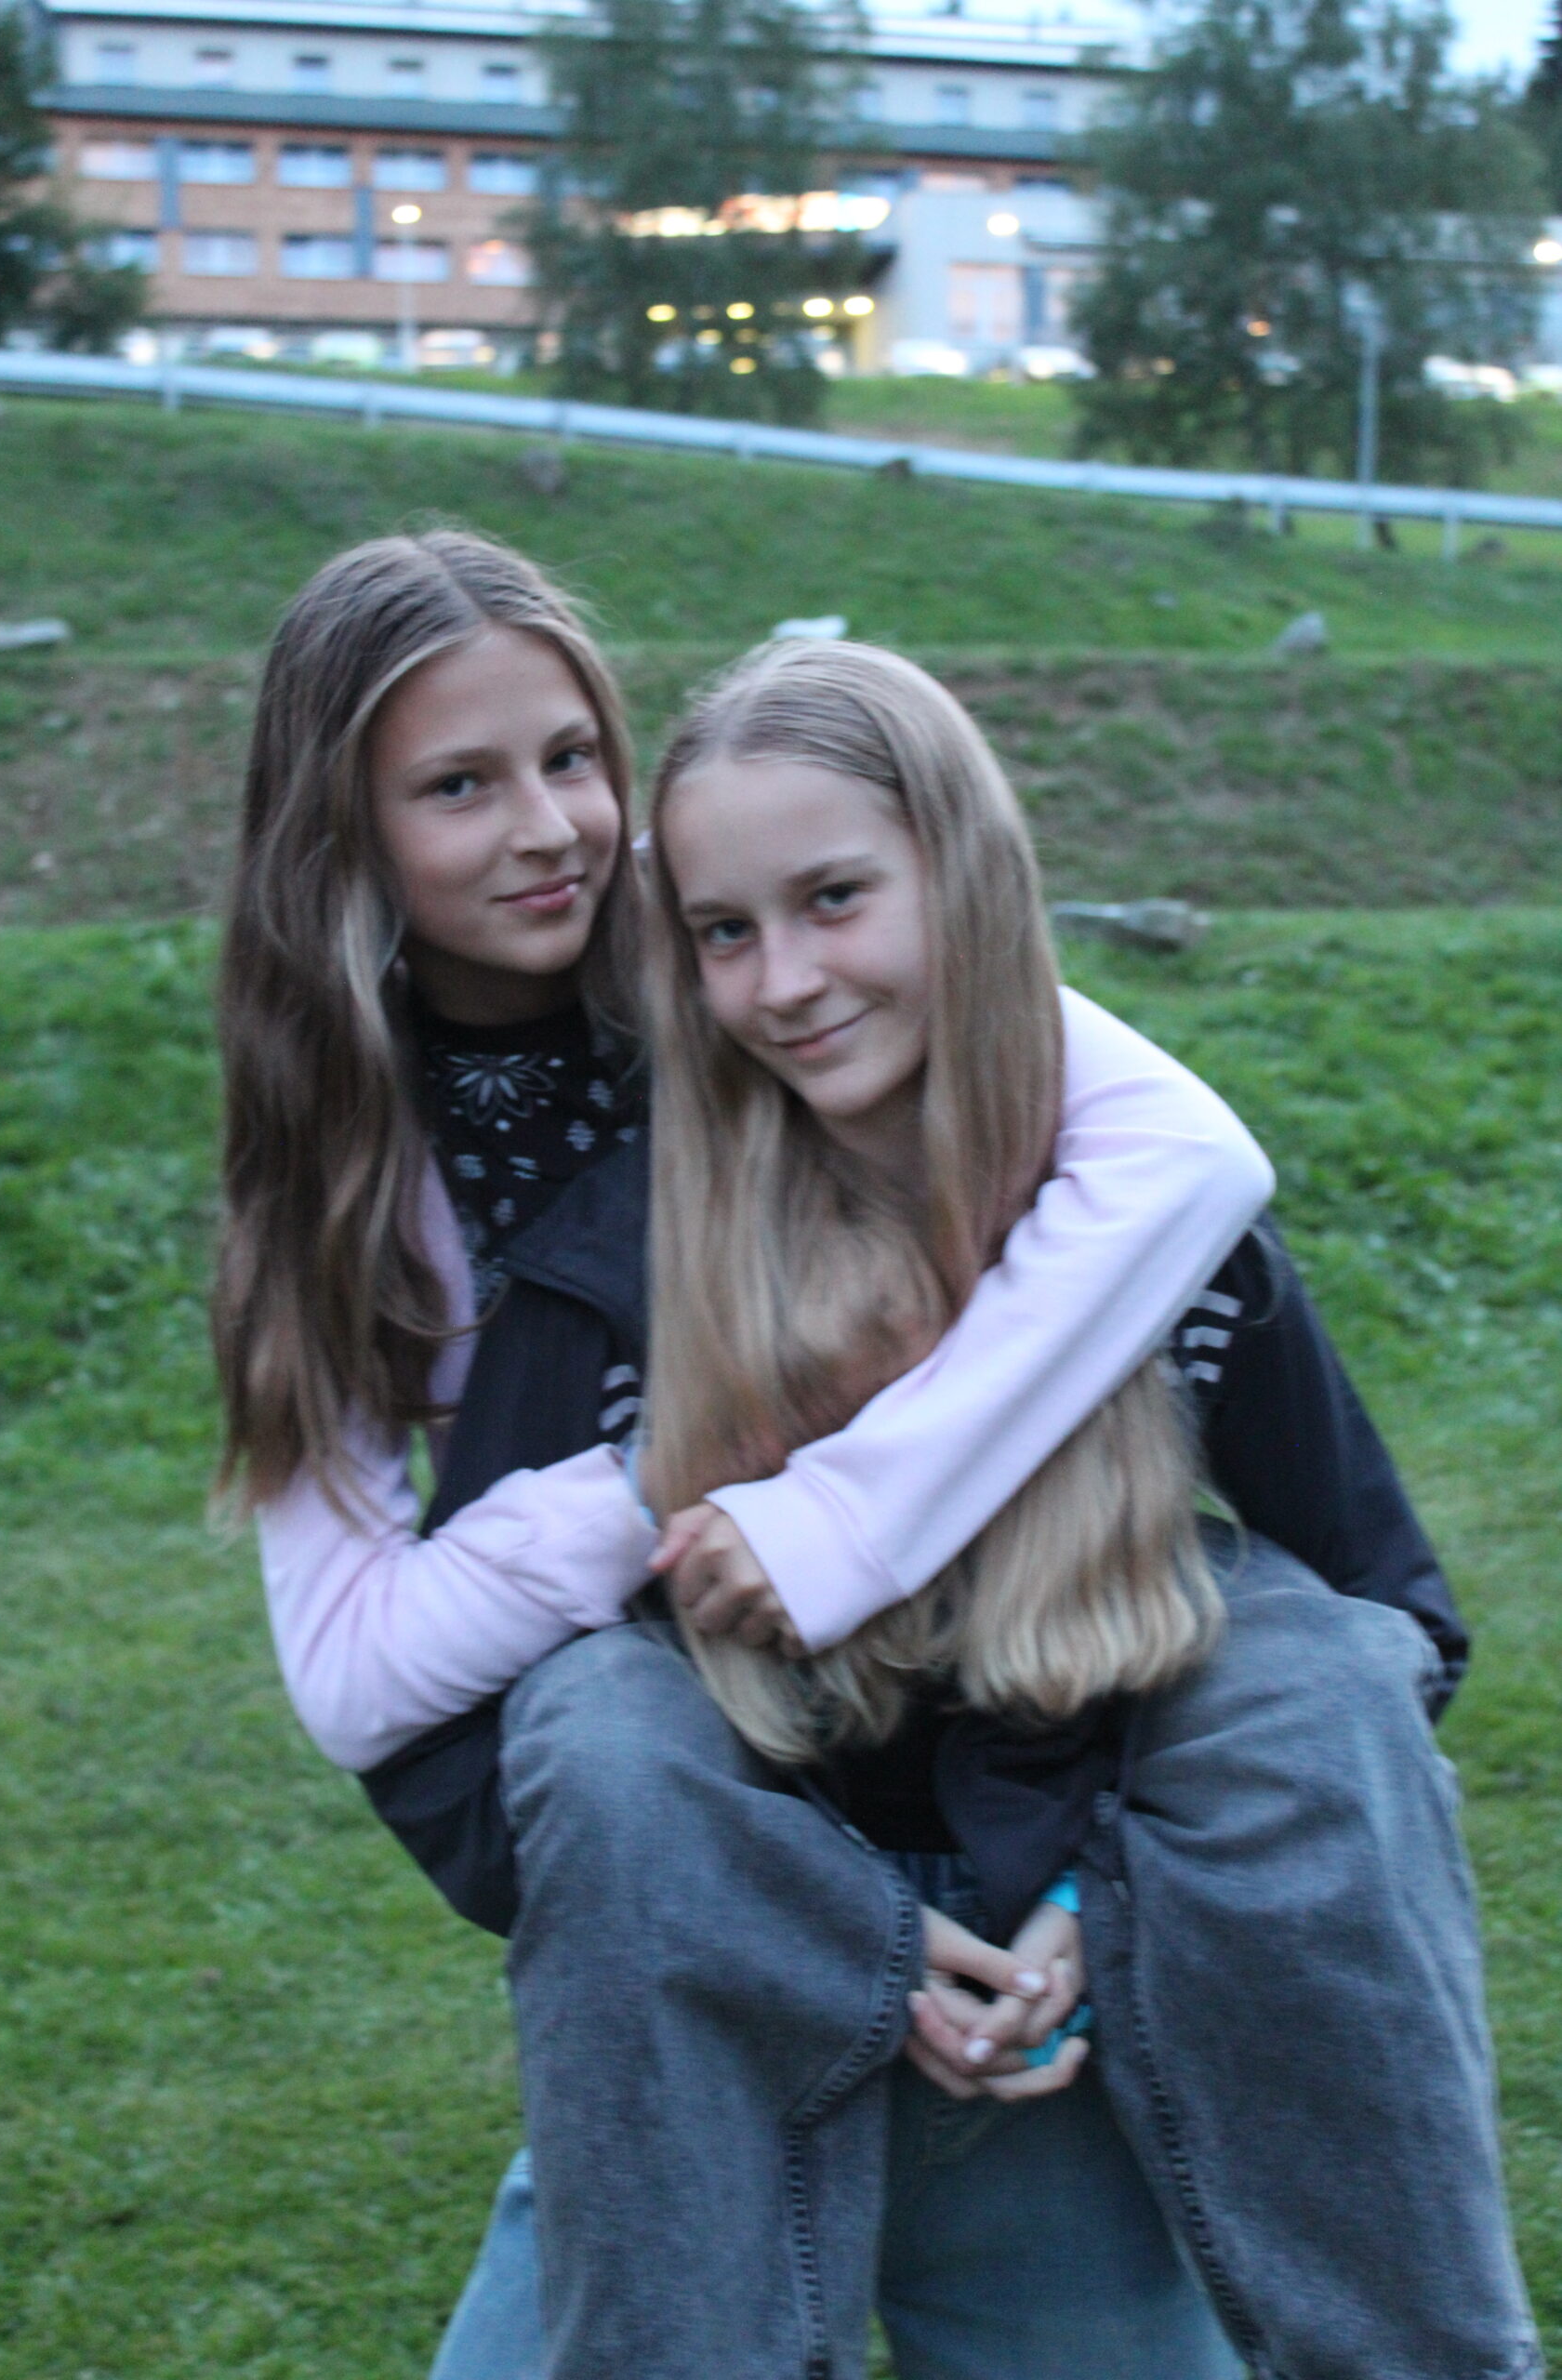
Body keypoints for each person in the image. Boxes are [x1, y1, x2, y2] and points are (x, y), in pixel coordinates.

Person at [212, 533, 1280, 2369]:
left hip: (981, 1779)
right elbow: (354, 1670)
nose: (549, 826)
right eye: (459, 785)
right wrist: (671, 1474)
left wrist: (862, 1501)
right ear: (339, 834)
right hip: (693, 1871)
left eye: (572, 755)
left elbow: (1183, 1158)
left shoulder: (754, 939)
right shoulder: (333, 1164)